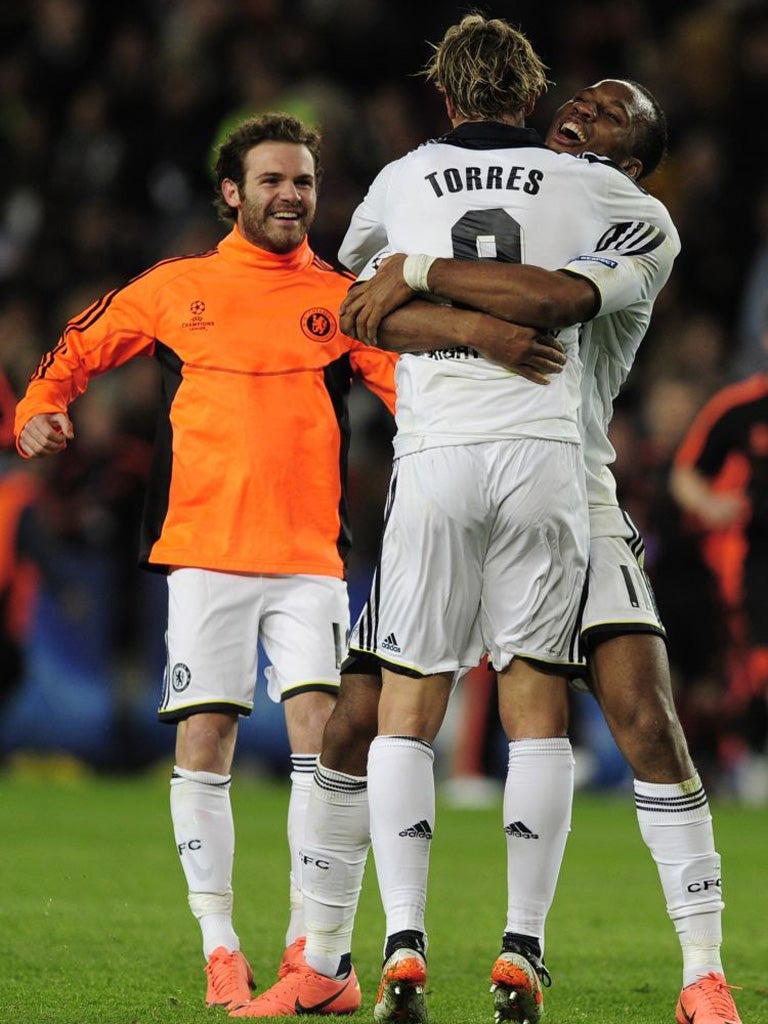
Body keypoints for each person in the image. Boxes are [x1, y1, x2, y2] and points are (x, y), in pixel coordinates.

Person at [231, 17, 708, 1024]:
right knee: (359, 715)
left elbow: (542, 298)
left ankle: (697, 972)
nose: (584, 109)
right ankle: (326, 956)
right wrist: (458, 317)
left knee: (642, 716)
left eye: (609, 112)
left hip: (573, 480)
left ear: (632, 160)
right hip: (509, 466)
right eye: (582, 97)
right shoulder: (548, 182)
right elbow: (356, 305)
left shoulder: (627, 216)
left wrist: (420, 271)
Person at [13, 112, 404, 1014]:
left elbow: (412, 389)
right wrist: (41, 403)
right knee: (205, 738)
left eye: (302, 181)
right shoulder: (177, 287)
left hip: (310, 557)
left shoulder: (345, 300)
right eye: (271, 180)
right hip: (204, 553)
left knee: (326, 735)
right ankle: (220, 946)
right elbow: (77, 346)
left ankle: (313, 939)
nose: (289, 195)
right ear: (232, 192)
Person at [670, 319, 768, 796]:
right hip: (757, 558)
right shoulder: (739, 407)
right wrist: (712, 506)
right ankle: (750, 756)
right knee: (756, 663)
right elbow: (686, 473)